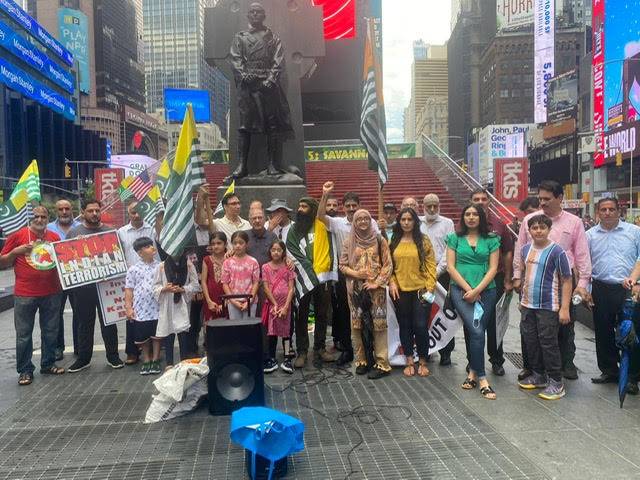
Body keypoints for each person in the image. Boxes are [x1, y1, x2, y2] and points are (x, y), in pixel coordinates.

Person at [513, 180, 592, 380]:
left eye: (547, 199)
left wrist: (582, 285)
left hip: (563, 282)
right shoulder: (530, 220)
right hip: (533, 281)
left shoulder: (573, 222)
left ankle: (566, 364)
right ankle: (532, 367)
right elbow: (519, 249)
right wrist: (517, 277)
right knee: (529, 326)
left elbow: (582, 254)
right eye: (540, 199)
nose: (542, 203)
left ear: (559, 198)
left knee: (565, 323)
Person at [227, 2, 293, 179]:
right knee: (244, 127)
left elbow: (279, 61)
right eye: (252, 12)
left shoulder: (273, 38)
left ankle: (272, 164)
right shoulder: (240, 37)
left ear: (264, 16)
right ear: (248, 16)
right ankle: (242, 165)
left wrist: (271, 79)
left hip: (267, 87)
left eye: (259, 12)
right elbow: (235, 59)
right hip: (248, 88)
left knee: (272, 125)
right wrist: (243, 74)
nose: (255, 15)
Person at [0, 206, 64, 385]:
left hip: (52, 292)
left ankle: (48, 363)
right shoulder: (18, 236)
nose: (39, 219)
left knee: (51, 331)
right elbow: (2, 260)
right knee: (23, 334)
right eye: (36, 216)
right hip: (25, 294)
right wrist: (16, 252)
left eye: (43, 216)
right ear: (30, 218)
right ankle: (25, 370)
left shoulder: (54, 237)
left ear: (48, 218)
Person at [514, 215, 572, 400]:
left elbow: (567, 280)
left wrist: (564, 308)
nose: (538, 230)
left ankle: (556, 382)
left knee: (548, 343)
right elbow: (525, 276)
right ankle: (538, 376)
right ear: (528, 231)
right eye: (534, 227)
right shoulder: (524, 250)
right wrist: (522, 300)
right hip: (527, 305)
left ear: (549, 229)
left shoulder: (557, 252)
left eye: (542, 227)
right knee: (531, 341)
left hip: (548, 306)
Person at [447, 204, 500, 400]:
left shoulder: (492, 239)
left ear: (481, 217)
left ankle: (472, 374)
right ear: (463, 217)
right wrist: (469, 290)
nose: (471, 217)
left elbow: (494, 268)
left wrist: (478, 290)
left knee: (476, 332)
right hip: (460, 291)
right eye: (467, 214)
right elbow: (451, 268)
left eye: (475, 214)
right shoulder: (454, 238)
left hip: (487, 291)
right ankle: (484, 379)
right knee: (477, 330)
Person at [318, 184, 375, 366]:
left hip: (367, 273)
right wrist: (325, 195)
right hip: (346, 273)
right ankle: (348, 350)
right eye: (348, 206)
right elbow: (320, 216)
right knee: (344, 313)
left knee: (367, 312)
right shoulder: (337, 223)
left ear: (359, 205)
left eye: (354, 205)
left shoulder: (370, 222)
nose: (351, 209)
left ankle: (369, 351)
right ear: (343, 208)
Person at [587, 198, 640, 390]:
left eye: (611, 209)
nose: (607, 213)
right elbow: (585, 265)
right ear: (598, 212)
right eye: (603, 209)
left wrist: (638, 283)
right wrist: (587, 290)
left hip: (628, 288)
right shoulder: (590, 235)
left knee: (631, 332)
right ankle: (610, 370)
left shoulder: (634, 232)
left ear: (619, 211)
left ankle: (633, 377)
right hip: (601, 288)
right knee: (603, 331)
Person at [67, 199, 124, 373]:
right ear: (83, 212)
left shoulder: (110, 232)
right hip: (83, 288)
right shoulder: (74, 232)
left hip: (106, 285)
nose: (94, 214)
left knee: (109, 322)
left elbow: (118, 256)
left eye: (97, 211)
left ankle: (113, 356)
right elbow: (67, 260)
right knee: (84, 323)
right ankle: (84, 358)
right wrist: (76, 246)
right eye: (90, 211)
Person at [340, 209, 393, 379]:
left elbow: (388, 265)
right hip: (355, 290)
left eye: (366, 219)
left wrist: (376, 282)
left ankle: (382, 363)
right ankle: (361, 361)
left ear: (371, 221)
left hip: (376, 291)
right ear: (354, 222)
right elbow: (342, 265)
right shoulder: (349, 242)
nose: (362, 222)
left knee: (379, 326)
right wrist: (357, 275)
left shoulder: (379, 240)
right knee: (356, 326)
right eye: (359, 219)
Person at [286, 196, 337, 368]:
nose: (300, 209)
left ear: (313, 209)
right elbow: (292, 250)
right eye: (299, 206)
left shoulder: (322, 227)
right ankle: (302, 351)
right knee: (301, 315)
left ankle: (320, 348)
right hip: (304, 277)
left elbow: (331, 249)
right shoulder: (293, 230)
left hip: (322, 278)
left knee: (322, 313)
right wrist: (308, 269)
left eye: (304, 206)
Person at [469, 188, 514, 376]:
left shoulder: (499, 225)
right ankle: (472, 361)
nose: (480, 202)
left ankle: (497, 360)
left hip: (495, 279)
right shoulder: (464, 225)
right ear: (471, 202)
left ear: (490, 202)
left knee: (495, 323)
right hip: (472, 279)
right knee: (472, 322)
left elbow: (508, 252)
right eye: (476, 199)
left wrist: (508, 279)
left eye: (484, 199)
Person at [389, 208, 437, 378]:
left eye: (410, 219)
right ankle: (409, 359)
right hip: (400, 291)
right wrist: (392, 282)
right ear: (399, 222)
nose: (407, 222)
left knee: (421, 326)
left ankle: (423, 360)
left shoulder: (423, 241)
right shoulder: (393, 241)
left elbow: (431, 266)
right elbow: (389, 267)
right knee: (405, 325)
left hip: (421, 290)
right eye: (403, 219)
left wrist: (430, 288)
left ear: (415, 221)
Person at [118, 200, 158, 366]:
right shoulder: (121, 232)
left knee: (155, 323)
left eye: (139, 211)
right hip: (131, 277)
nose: (136, 215)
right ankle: (132, 353)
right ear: (128, 214)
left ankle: (154, 355)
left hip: (154, 275)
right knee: (133, 320)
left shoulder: (152, 229)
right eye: (133, 212)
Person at [420, 193, 456, 365]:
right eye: (429, 206)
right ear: (423, 206)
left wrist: (436, 271)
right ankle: (424, 349)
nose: (432, 209)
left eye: (435, 205)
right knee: (423, 312)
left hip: (441, 276)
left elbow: (449, 250)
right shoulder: (417, 222)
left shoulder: (447, 223)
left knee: (443, 311)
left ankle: (446, 352)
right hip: (420, 277)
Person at [154, 250, 201, 368]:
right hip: (167, 303)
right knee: (168, 331)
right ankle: (169, 363)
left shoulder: (189, 265)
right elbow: (155, 286)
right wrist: (164, 289)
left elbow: (195, 285)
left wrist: (183, 289)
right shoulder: (161, 266)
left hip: (182, 303)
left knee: (183, 332)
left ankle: (183, 362)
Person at [48, 198, 80, 361]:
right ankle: (58, 348)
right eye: (61, 209)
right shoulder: (48, 229)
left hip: (77, 276)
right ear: (56, 211)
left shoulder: (81, 227)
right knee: (56, 314)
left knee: (80, 313)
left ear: (72, 209)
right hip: (55, 279)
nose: (64, 212)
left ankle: (79, 347)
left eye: (67, 208)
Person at [124, 237, 162, 375]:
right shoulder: (133, 269)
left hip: (157, 307)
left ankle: (156, 359)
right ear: (140, 253)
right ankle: (146, 359)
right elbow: (129, 289)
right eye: (147, 247)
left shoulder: (160, 266)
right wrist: (129, 307)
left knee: (157, 334)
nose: (152, 248)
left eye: (151, 245)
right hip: (141, 308)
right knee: (142, 336)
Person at [262, 240, 296, 374]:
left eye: (279, 250)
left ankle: (287, 358)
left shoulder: (288, 267)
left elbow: (291, 288)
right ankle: (271, 358)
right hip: (273, 305)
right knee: (272, 332)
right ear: (270, 252)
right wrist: (275, 304)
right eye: (273, 250)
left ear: (283, 252)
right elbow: (265, 287)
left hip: (286, 304)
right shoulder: (265, 267)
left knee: (286, 332)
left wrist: (286, 306)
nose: (276, 252)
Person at [221, 231, 261, 319]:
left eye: (241, 243)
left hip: (250, 301)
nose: (238, 245)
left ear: (247, 244)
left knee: (249, 329)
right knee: (235, 329)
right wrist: (233, 300)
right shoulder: (227, 263)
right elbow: (225, 283)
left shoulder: (253, 262)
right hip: (232, 301)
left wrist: (250, 300)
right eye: (235, 243)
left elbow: (256, 282)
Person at [201, 232, 229, 326]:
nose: (216, 246)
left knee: (228, 327)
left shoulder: (230, 259)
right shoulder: (206, 260)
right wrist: (208, 301)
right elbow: (204, 282)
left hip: (228, 299)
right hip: (211, 299)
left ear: (225, 244)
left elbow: (233, 283)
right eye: (213, 244)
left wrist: (227, 301)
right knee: (212, 329)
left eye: (219, 243)